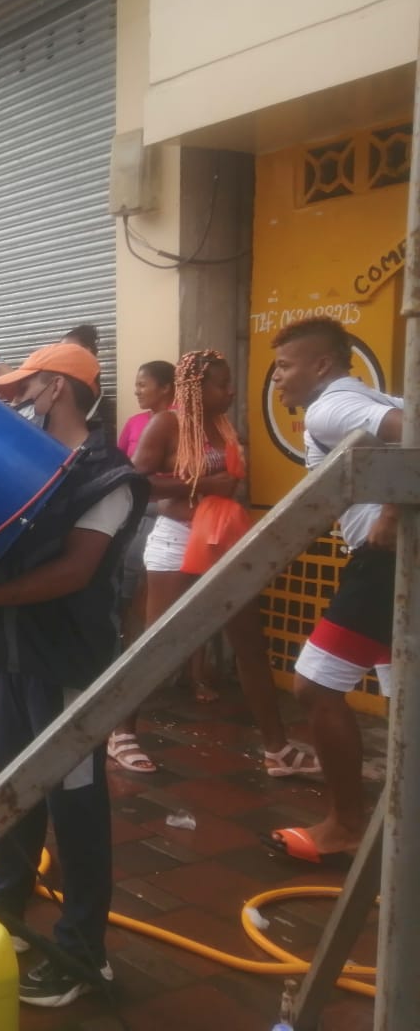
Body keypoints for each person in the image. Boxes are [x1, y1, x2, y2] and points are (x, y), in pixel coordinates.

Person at [0, 342, 147, 1007]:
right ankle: (6, 903)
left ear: (59, 388)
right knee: (14, 783)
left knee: (75, 802)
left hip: (68, 659)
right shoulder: (37, 466)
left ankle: (85, 953)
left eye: (27, 386)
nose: (19, 398)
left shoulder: (108, 477)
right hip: (21, 653)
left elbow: (74, 571)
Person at [122, 350, 319, 779]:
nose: (230, 392)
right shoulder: (168, 423)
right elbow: (136, 480)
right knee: (154, 647)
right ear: (196, 387)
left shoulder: (223, 426)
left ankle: (276, 749)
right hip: (177, 541)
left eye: (229, 384)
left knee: (249, 643)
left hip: (222, 540)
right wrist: (202, 483)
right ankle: (121, 733)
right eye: (221, 384)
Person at [266, 317, 402, 865]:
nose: (278, 378)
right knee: (403, 693)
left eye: (285, 366)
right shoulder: (365, 398)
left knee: (315, 686)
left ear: (322, 365)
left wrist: (392, 511)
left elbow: (412, 432)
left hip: (384, 562)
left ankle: (345, 826)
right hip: (392, 564)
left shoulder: (332, 406)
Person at [105, 360, 174, 772]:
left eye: (144, 384)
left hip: (171, 520)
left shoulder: (182, 423)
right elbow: (127, 473)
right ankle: (121, 722)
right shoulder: (136, 423)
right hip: (139, 516)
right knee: (130, 600)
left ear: (166, 388)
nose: (136, 390)